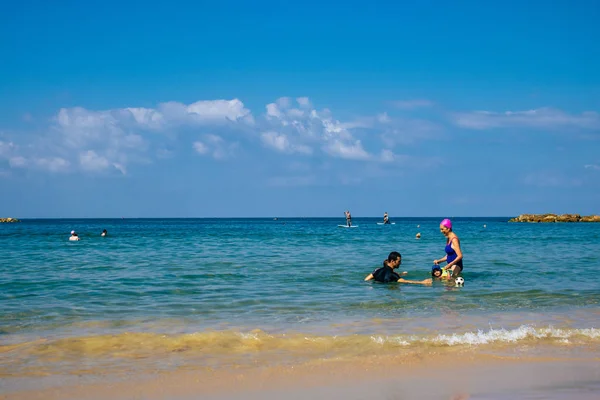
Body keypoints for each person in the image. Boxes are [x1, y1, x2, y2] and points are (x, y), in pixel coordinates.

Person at [365, 252, 432, 285]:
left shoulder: (377, 270)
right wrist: (422, 282)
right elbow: (405, 281)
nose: (400, 263)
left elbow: (366, 280)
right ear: (392, 261)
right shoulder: (393, 274)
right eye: (399, 261)